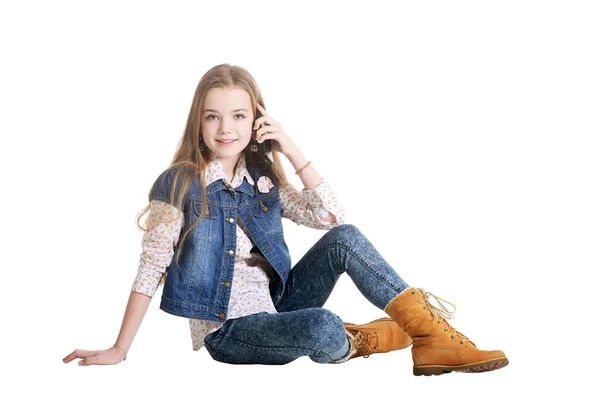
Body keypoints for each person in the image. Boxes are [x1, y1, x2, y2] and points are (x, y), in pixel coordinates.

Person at [62, 63, 508, 376]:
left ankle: (430, 338)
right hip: (230, 331)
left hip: (279, 303)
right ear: (197, 122)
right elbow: (150, 268)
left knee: (346, 238)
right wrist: (120, 349)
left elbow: (330, 216)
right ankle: (362, 339)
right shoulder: (179, 184)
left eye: (238, 115)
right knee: (322, 325)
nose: (225, 129)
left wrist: (290, 149)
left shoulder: (261, 177)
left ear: (256, 118)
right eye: (212, 117)